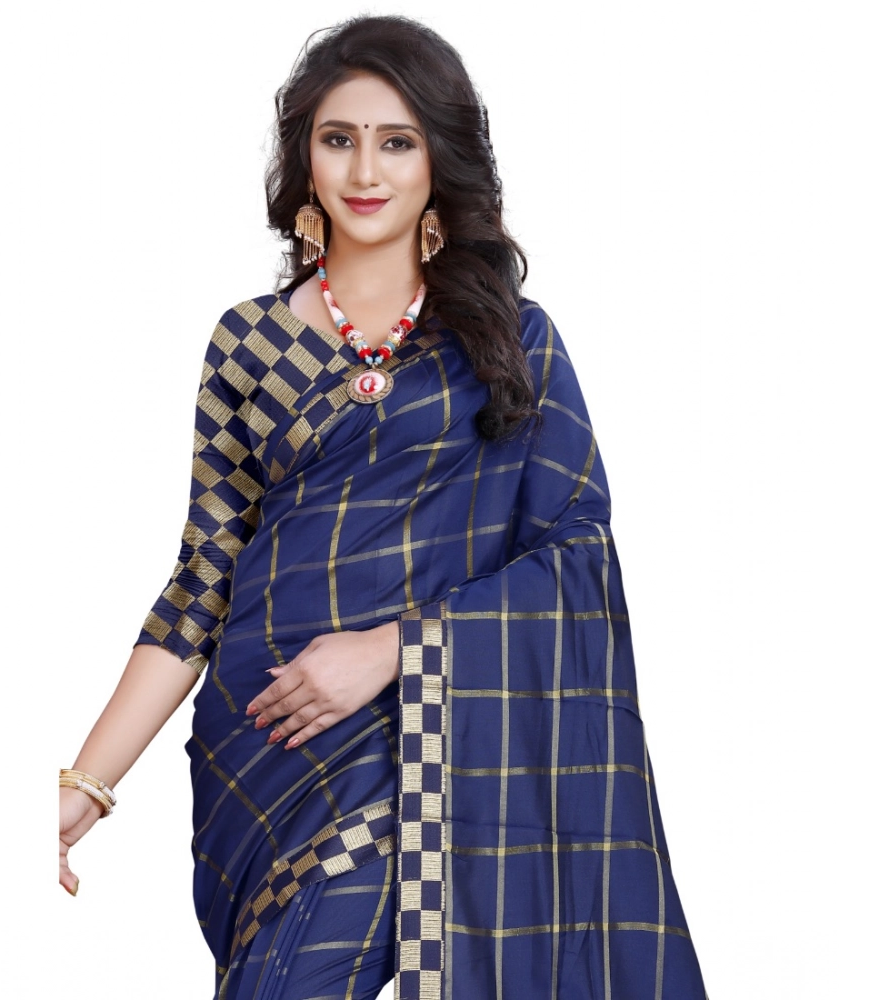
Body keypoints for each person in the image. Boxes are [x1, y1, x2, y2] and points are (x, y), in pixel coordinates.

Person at [59, 15, 708, 1000]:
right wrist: (85, 785)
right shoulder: (247, 342)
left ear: (438, 160)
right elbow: (202, 579)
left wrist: (396, 648)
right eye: (339, 139)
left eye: (396, 141)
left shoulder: (510, 342)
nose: (365, 170)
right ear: (305, 161)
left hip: (423, 734)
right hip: (264, 747)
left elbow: (576, 550)